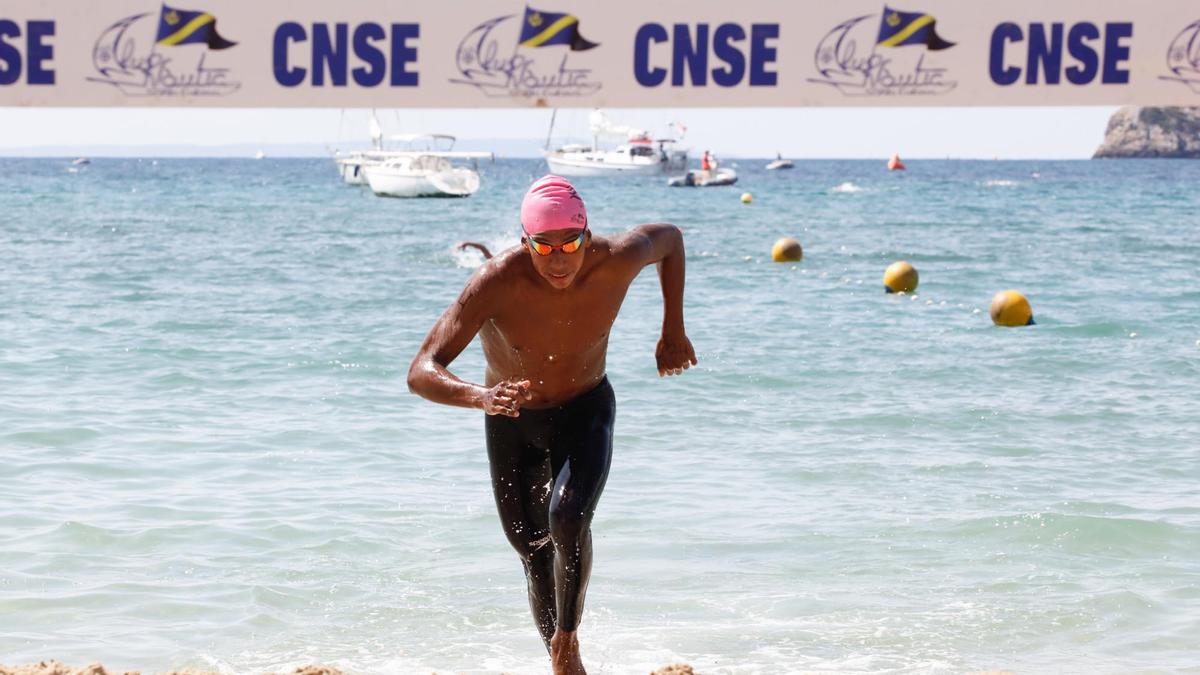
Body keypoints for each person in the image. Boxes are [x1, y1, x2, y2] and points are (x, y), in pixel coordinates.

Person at [407, 175, 696, 674]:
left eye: (570, 244)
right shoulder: (496, 281)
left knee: (567, 519)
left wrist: (673, 329)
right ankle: (557, 657)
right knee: (530, 544)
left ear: (588, 236)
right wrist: (482, 397)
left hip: (586, 407)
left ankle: (568, 645)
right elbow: (421, 370)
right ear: (525, 242)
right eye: (544, 246)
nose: (559, 259)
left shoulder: (620, 255)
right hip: (512, 418)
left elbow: (669, 238)